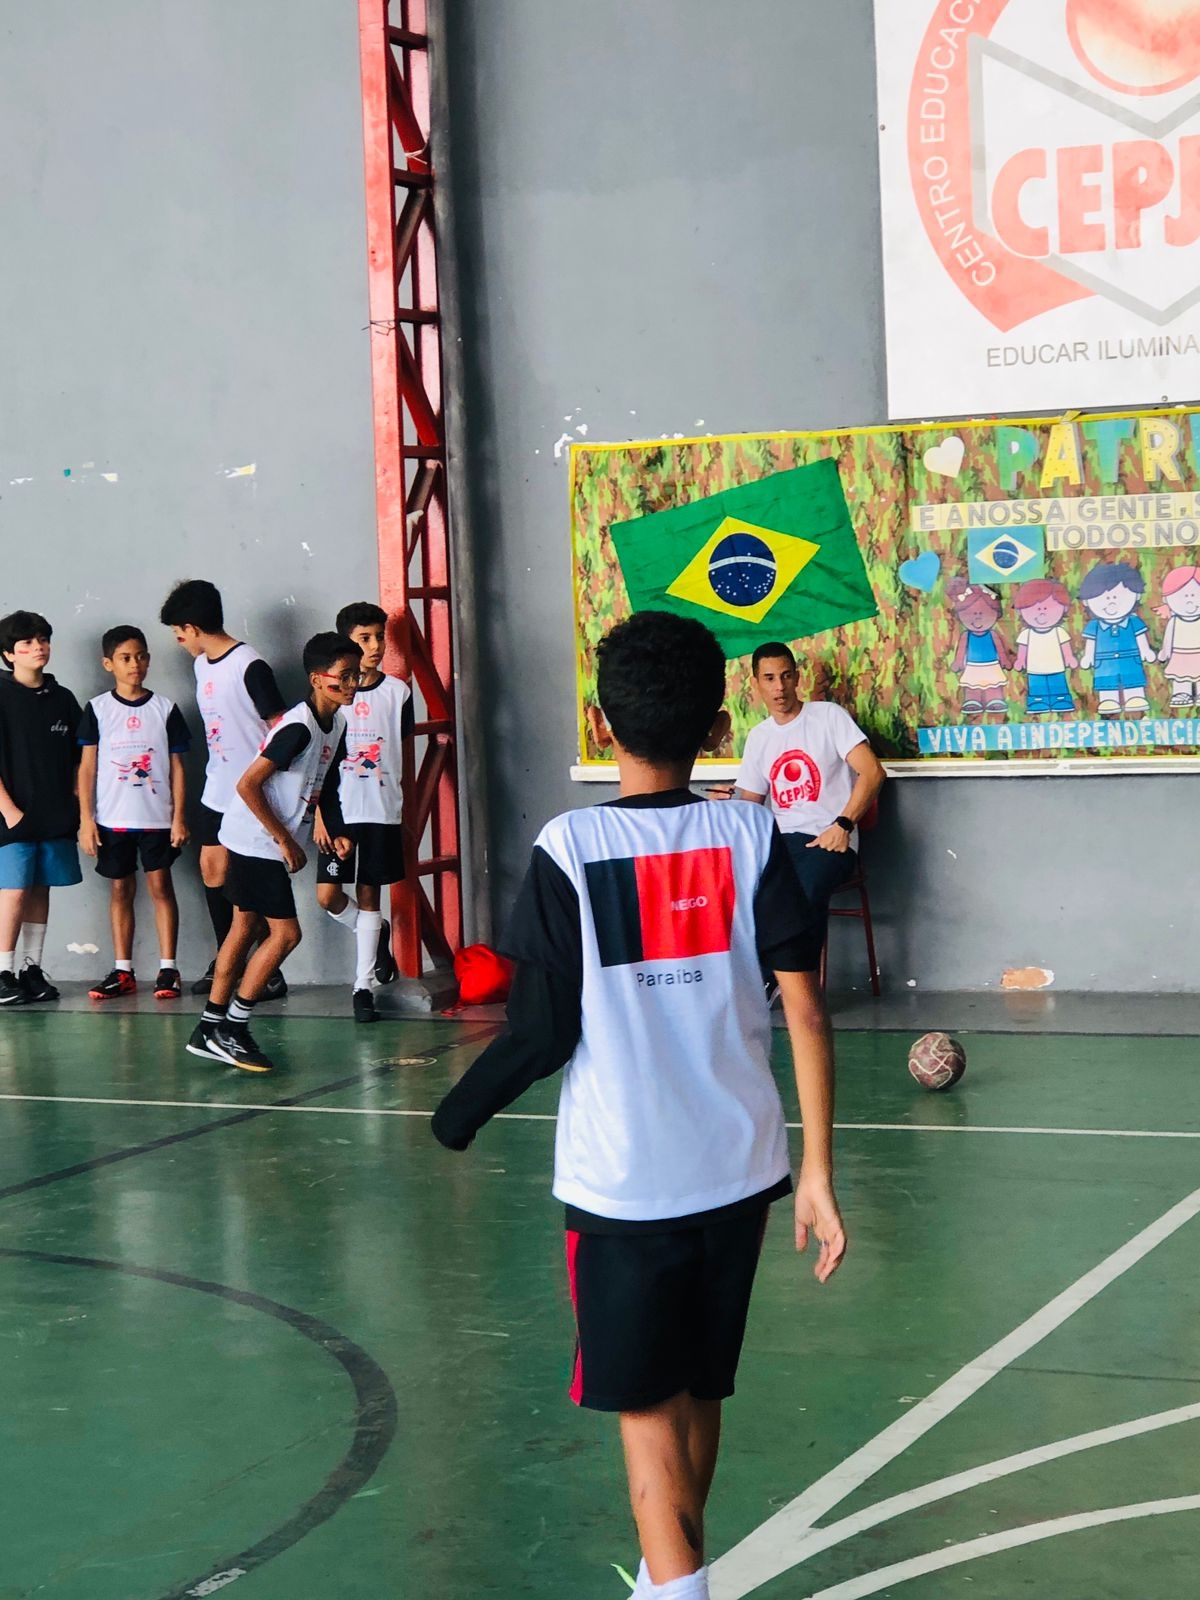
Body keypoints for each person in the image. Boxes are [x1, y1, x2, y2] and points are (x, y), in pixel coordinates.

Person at [431, 611, 846, 1600]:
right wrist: (819, 1172)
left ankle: (676, 1586)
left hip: (623, 1187)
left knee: (646, 1414)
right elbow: (806, 1008)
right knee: (698, 1388)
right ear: (717, 729)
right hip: (740, 1172)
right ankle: (669, 1581)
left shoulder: (568, 846)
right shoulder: (750, 832)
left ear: (600, 722)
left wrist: (457, 1112)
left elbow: (541, 1031)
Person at [187, 633, 358, 1074]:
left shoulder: (336, 724)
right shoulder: (298, 728)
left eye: (356, 675)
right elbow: (248, 785)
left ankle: (208, 1028)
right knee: (286, 935)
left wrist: (335, 829)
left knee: (243, 927)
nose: (352, 684)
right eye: (343, 676)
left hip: (259, 840)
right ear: (317, 679)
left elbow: (327, 784)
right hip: (253, 841)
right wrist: (284, 839)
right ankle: (234, 1027)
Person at [159, 579, 287, 996]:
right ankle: (227, 961)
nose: (177, 640)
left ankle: (269, 970)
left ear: (193, 627)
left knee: (249, 883)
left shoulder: (250, 665)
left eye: (178, 632)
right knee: (212, 869)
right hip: (216, 788)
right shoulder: (202, 665)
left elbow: (281, 728)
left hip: (252, 793)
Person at [725, 643, 885, 955]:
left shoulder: (828, 716)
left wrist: (843, 825)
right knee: (741, 888)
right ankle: (764, 975)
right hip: (783, 843)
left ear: (797, 678)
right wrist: (727, 802)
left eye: (786, 676)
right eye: (769, 678)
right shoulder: (759, 737)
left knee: (800, 892)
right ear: (756, 683)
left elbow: (873, 772)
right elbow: (749, 806)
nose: (779, 686)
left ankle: (785, 975)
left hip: (830, 838)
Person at [77, 626, 192, 1000]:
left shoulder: (165, 709)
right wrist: (87, 820)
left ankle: (168, 969)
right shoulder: (97, 709)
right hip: (112, 820)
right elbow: (87, 768)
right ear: (108, 664)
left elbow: (178, 768)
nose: (135, 664)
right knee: (120, 889)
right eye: (125, 658)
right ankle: (123, 971)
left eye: (141, 656)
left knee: (161, 887)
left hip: (157, 819)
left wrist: (178, 817)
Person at [314, 601, 413, 1023]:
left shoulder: (398, 693)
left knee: (371, 894)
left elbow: (402, 752)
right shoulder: (332, 696)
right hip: (338, 812)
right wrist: (320, 816)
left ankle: (363, 987)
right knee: (328, 896)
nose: (375, 647)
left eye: (379, 638)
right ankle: (375, 933)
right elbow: (316, 761)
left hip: (380, 810)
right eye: (364, 639)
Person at [0, 609, 83, 1006]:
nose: (38, 648)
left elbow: (81, 757)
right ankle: (3, 972)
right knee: (13, 891)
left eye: (43, 640)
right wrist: (9, 811)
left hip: (55, 815)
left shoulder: (62, 699)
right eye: (27, 643)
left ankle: (31, 969)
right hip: (12, 816)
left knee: (39, 888)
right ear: (8, 654)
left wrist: (76, 801)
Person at [1078, 560, 1155, 716]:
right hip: (1104, 661)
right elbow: (1091, 642)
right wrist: (1088, 656)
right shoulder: (1094, 625)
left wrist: (1146, 650)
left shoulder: (1133, 621)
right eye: (1104, 597)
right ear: (1086, 601)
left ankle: (1135, 696)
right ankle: (1108, 699)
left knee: (1132, 677)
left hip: (1130, 658)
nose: (1111, 601)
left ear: (1136, 595)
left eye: (1117, 596)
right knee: (1106, 680)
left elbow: (1140, 637)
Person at [1012, 579, 1078, 715]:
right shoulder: (1027, 633)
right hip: (1034, 669)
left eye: (1046, 608)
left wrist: (1069, 658)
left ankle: (1061, 700)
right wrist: (1020, 660)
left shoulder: (1059, 631)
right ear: (1020, 611)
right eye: (1036, 608)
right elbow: (1023, 649)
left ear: (1064, 608)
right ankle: (1037, 702)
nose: (1042, 612)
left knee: (1058, 685)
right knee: (1037, 687)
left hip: (1056, 667)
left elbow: (1065, 647)